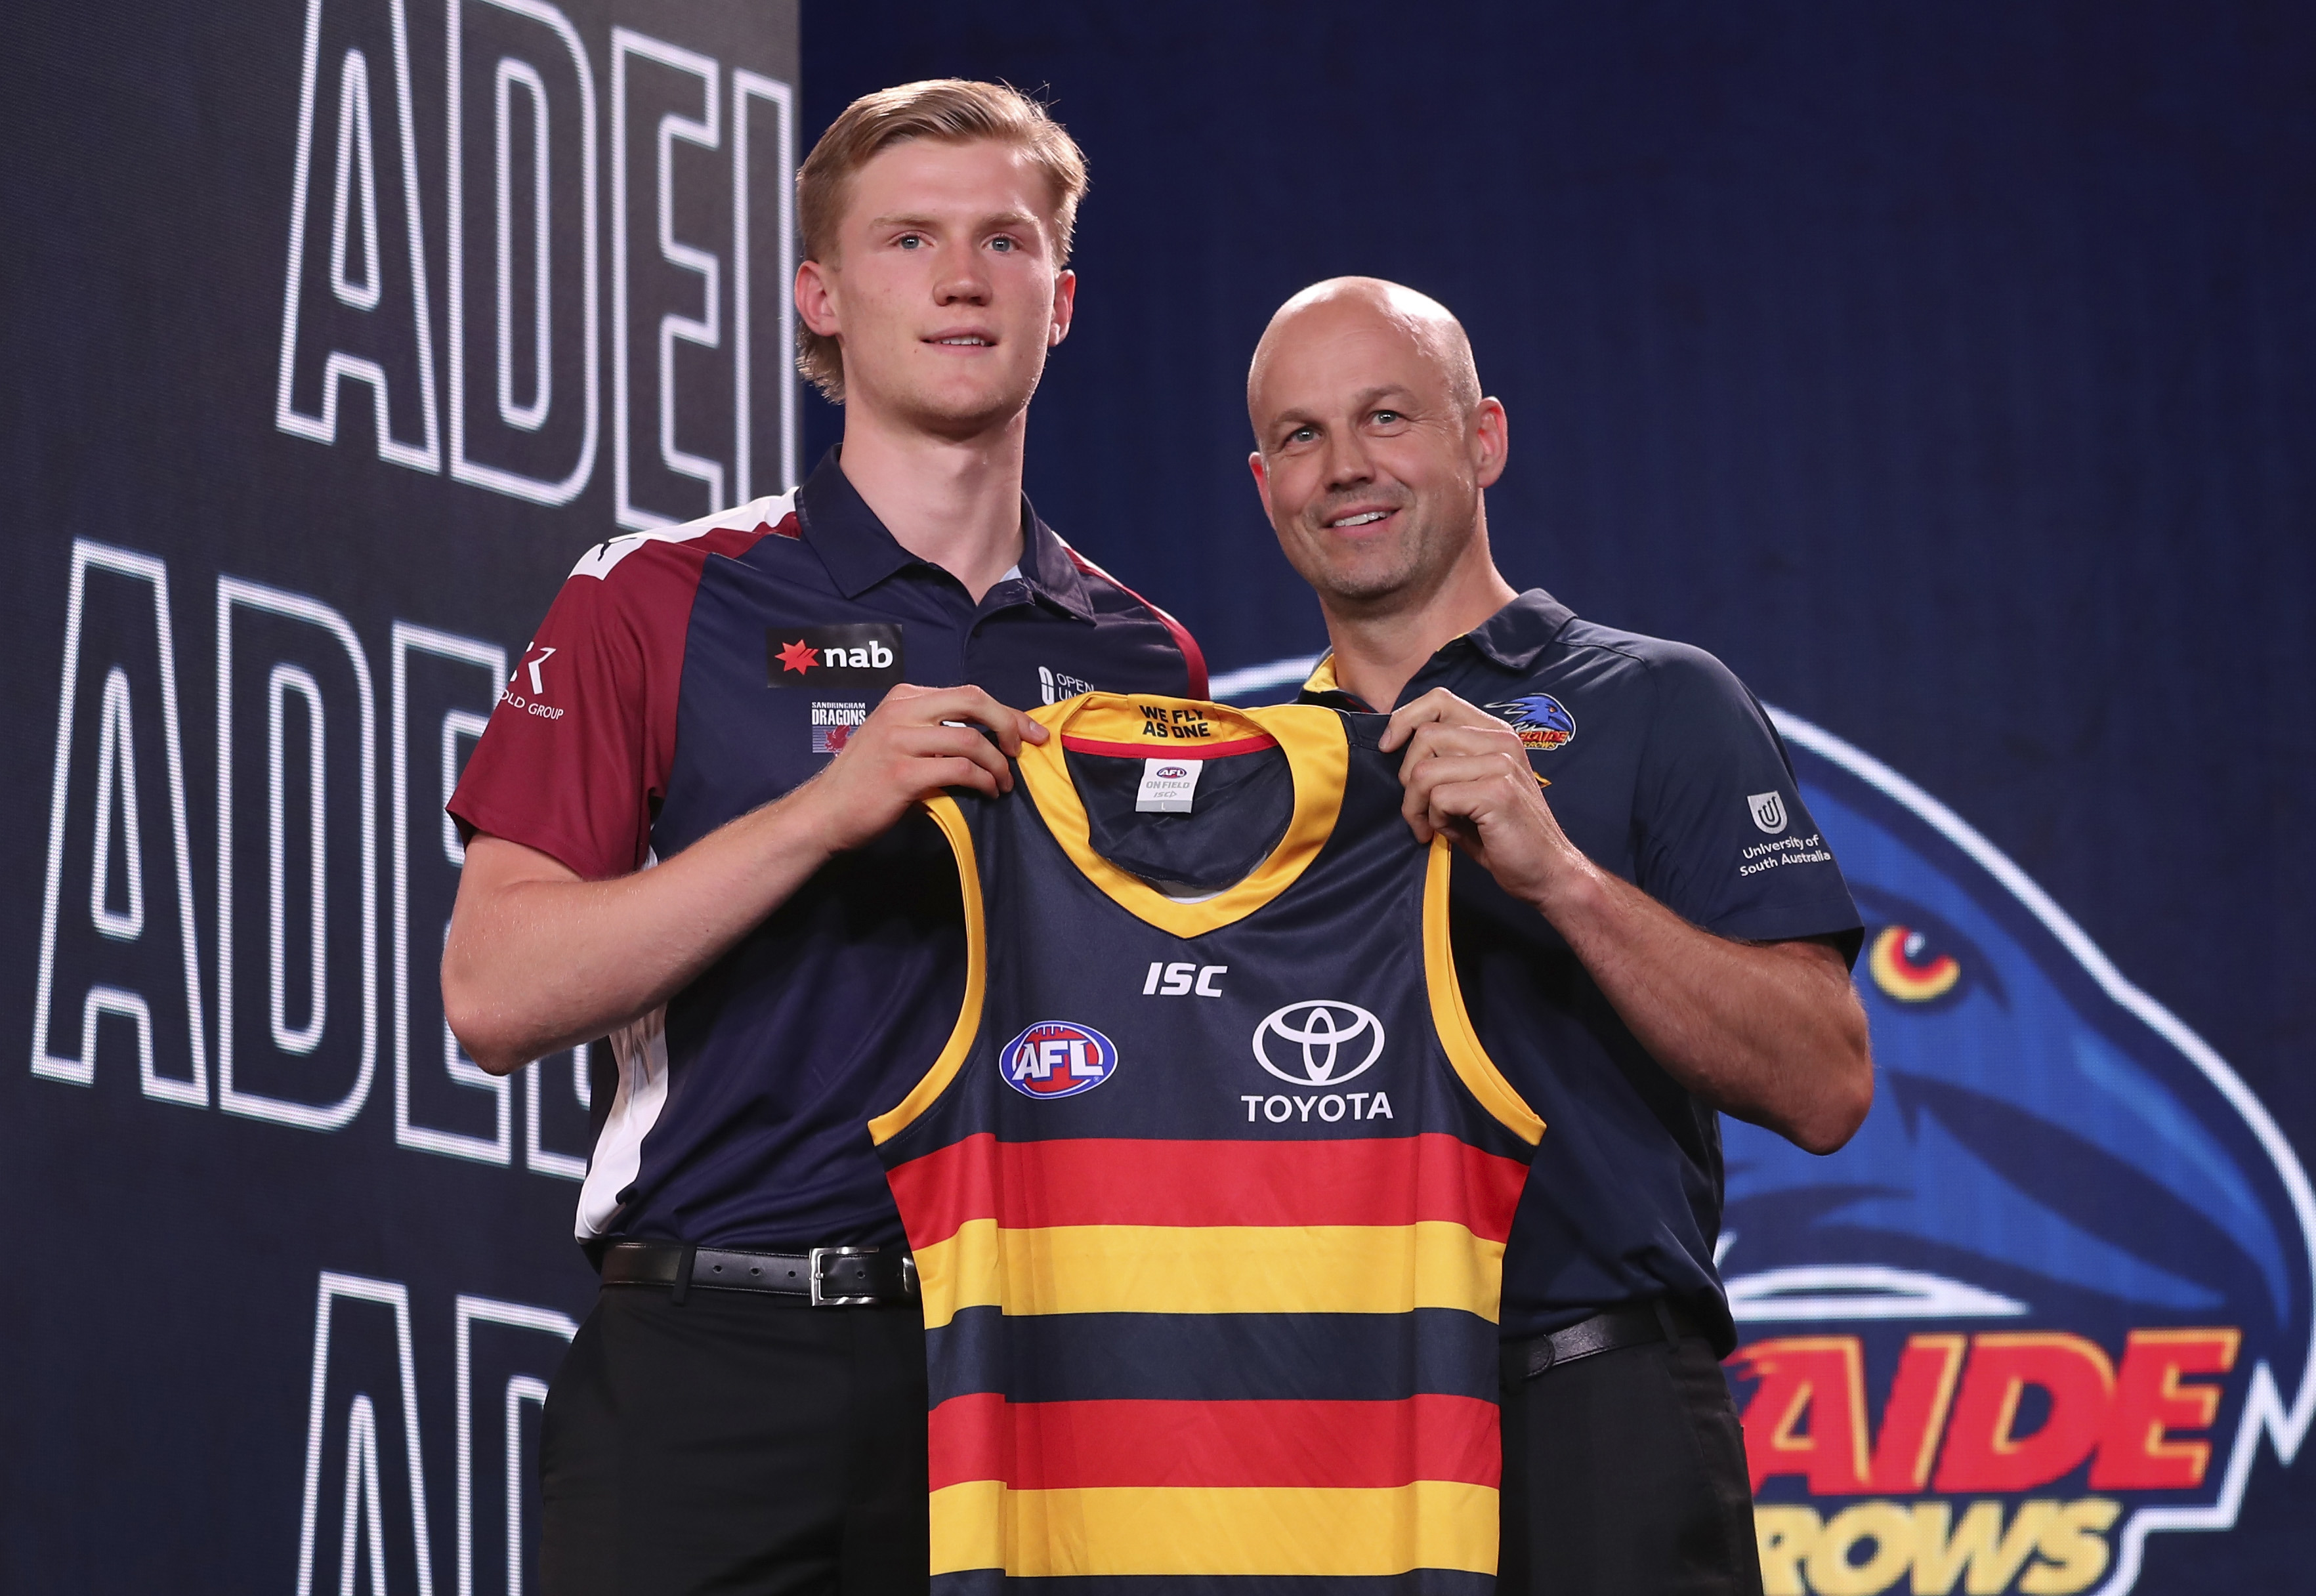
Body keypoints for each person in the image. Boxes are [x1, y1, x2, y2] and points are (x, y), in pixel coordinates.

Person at [441, 81, 1204, 1596]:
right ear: (821, 294)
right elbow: (495, 992)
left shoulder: (1146, 660)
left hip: (1027, 1375)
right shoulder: (655, 595)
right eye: (907, 237)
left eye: (1006, 239)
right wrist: (822, 814)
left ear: (1063, 295)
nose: (962, 276)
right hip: (715, 1360)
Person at [1243, 276, 1874, 1596]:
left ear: (1484, 440)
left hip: (1596, 1417)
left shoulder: (1655, 700)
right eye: (1301, 436)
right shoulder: (1247, 776)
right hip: (1319, 1444)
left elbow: (1824, 1081)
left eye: (1386, 417)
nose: (1344, 467)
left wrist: (1564, 877)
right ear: (1263, 483)